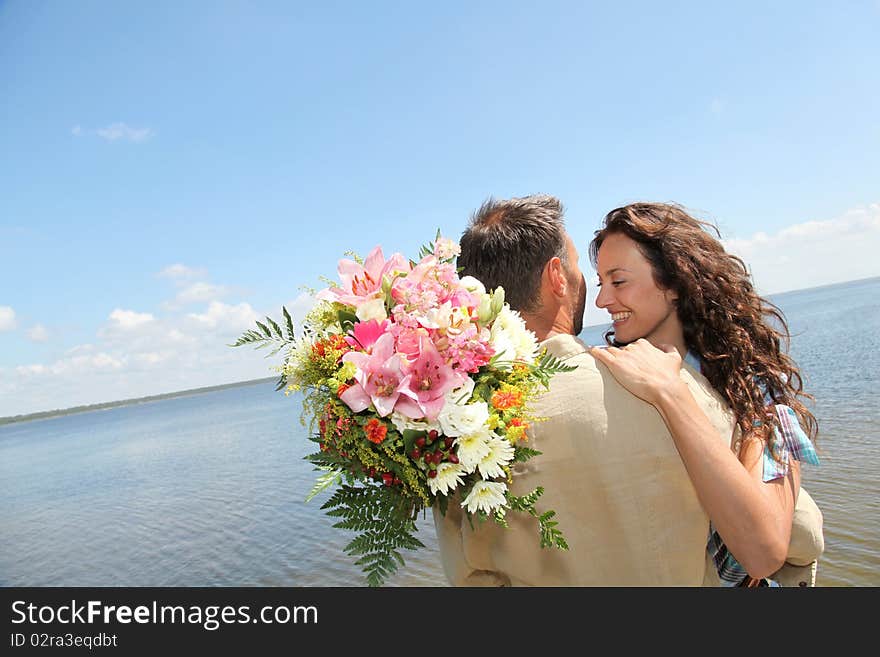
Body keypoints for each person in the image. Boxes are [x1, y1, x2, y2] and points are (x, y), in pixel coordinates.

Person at [432, 194, 739, 586]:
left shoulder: (449, 431)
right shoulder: (671, 386)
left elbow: (469, 574)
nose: (593, 294)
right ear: (557, 276)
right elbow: (794, 538)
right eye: (579, 269)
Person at [588, 202, 823, 586]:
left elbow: (763, 552)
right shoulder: (607, 375)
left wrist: (671, 394)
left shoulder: (751, 395)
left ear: (675, 285)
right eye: (600, 284)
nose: (602, 301)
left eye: (618, 282)